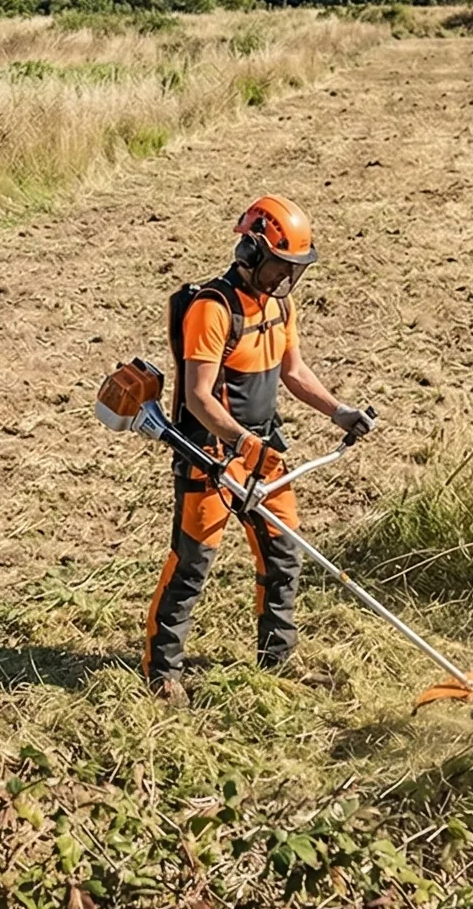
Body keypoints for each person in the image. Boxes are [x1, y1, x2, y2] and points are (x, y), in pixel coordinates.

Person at [144, 195, 374, 705]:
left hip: (264, 451)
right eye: (281, 266)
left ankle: (277, 660)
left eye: (295, 270)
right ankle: (162, 672)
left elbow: (293, 371)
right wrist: (240, 444)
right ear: (250, 253)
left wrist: (338, 410)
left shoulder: (280, 304)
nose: (289, 279)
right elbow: (199, 397)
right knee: (192, 564)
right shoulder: (212, 308)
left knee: (283, 555)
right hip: (211, 454)